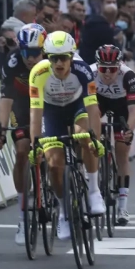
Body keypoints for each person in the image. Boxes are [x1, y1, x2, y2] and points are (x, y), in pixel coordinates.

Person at [28, 31, 106, 240]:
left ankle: (94, 190)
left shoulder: (83, 71)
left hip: (77, 106)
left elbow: (93, 108)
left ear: (72, 57)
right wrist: (35, 145)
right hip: (51, 112)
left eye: (64, 58)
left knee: (85, 137)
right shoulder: (37, 73)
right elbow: (35, 114)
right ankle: (63, 213)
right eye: (54, 58)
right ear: (47, 58)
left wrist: (96, 140)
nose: (59, 63)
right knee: (54, 164)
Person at [0, 23, 47, 245]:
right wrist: (0, 129)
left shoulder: (54, 58)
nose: (31, 58)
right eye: (26, 52)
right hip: (23, 105)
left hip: (50, 101)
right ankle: (23, 215)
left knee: (55, 149)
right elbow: (6, 98)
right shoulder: (13, 61)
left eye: (35, 53)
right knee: (22, 151)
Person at [91, 44, 135, 226]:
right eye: (104, 69)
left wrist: (129, 130)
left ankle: (122, 206)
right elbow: (84, 107)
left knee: (122, 151)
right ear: (97, 66)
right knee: (92, 127)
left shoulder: (128, 75)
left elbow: (134, 111)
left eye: (112, 69)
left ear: (119, 66)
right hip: (99, 102)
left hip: (121, 107)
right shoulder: (90, 72)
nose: (108, 73)